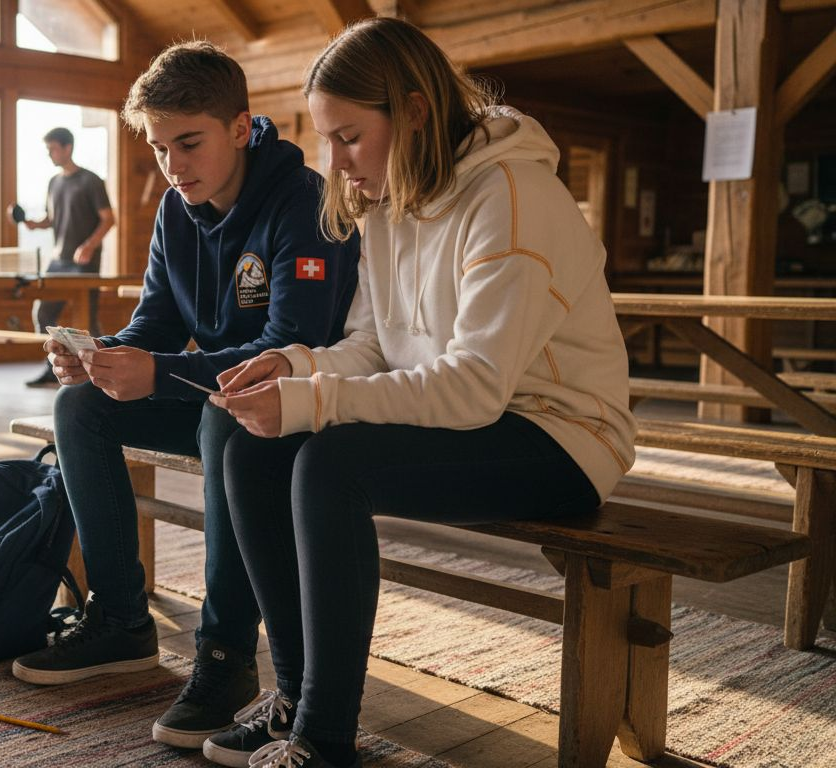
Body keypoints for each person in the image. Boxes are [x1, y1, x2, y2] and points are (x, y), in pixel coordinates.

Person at [209, 18, 637, 768]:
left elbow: (473, 385)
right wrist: (296, 365)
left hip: (562, 435)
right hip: (478, 419)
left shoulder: (512, 193)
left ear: (412, 111)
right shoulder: (391, 200)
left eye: (347, 137)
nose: (335, 163)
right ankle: (296, 694)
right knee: (254, 454)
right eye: (326, 140)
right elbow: (374, 347)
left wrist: (316, 403)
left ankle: (324, 735)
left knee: (329, 463)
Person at [9, 40, 361, 753]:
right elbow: (157, 327)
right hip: (223, 404)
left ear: (239, 127)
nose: (173, 166)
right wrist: (104, 359)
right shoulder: (176, 210)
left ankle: (227, 658)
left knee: (221, 419)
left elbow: (294, 346)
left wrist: (162, 374)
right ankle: (120, 624)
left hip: (307, 410)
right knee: (80, 407)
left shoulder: (304, 203)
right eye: (160, 149)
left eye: (189, 143)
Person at [15, 127, 116, 386]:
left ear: (67, 147)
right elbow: (52, 218)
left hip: (85, 263)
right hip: (59, 261)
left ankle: (105, 371)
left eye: (53, 149)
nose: (50, 154)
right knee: (43, 312)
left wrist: (89, 245)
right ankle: (52, 368)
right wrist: (34, 224)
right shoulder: (53, 182)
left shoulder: (91, 181)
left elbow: (108, 219)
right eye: (48, 149)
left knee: (88, 320)